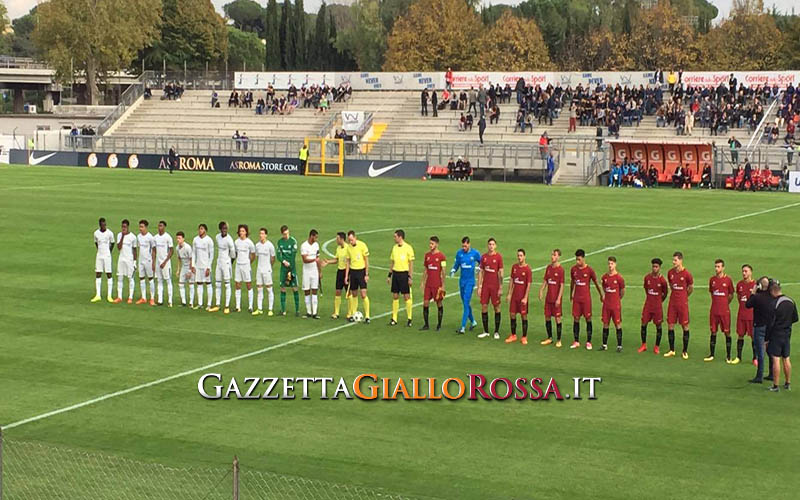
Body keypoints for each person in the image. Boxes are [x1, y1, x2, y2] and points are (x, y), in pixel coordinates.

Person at [766, 281, 797, 392]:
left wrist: (767, 339)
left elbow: (770, 323)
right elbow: (795, 318)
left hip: (776, 334)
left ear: (773, 292)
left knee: (776, 359)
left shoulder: (774, 304)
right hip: (787, 333)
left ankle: (775, 385)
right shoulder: (791, 301)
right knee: (786, 358)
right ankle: (787, 383)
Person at [570, 249, 603, 350]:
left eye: (579, 259)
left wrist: (601, 294)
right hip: (576, 298)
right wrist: (571, 293)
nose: (577, 262)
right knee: (576, 318)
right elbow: (572, 282)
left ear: (583, 258)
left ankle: (589, 342)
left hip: (586, 299)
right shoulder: (573, 269)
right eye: (576, 259)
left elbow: (596, 283)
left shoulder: (589, 270)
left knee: (588, 319)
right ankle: (576, 341)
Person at [746, 276, 776, 383]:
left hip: (759, 326)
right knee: (770, 350)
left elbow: (747, 304)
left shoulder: (757, 297)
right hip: (771, 327)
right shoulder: (772, 297)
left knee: (760, 352)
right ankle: (772, 373)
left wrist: (753, 293)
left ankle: (759, 376)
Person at [704, 259, 735, 362]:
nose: (716, 268)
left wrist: (725, 303)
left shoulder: (728, 280)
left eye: (718, 266)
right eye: (715, 266)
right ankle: (711, 354)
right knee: (713, 331)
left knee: (727, 332)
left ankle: (728, 356)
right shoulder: (712, 280)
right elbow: (712, 293)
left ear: (723, 268)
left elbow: (731, 295)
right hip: (714, 310)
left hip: (724, 311)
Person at [450, 236, 481, 334]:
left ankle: (462, 327)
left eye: (465, 246)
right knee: (465, 303)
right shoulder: (459, 253)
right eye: (463, 246)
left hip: (470, 282)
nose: (464, 248)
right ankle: (473, 321)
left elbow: (482, 263)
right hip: (462, 281)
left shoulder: (475, 253)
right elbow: (457, 264)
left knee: (466, 302)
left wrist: (479, 268)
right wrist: (453, 270)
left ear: (469, 244)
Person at [665, 252, 693, 359]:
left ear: (681, 261)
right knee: (670, 325)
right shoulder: (670, 273)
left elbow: (690, 288)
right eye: (673, 260)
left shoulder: (687, 274)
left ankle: (685, 351)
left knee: (685, 325)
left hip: (682, 304)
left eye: (675, 260)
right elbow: (672, 286)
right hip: (672, 303)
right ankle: (672, 350)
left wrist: (684, 296)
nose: (673, 262)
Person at [640, 258, 668, 354]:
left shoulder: (663, 281)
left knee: (658, 325)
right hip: (648, 305)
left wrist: (659, 301)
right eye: (653, 266)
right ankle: (643, 345)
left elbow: (665, 293)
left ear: (659, 268)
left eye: (656, 267)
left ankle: (657, 346)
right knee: (644, 323)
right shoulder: (647, 278)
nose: (654, 268)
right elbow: (646, 289)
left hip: (657, 307)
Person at [477, 238, 504, 339]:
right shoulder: (483, 257)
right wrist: (479, 286)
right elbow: (481, 272)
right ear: (487, 245)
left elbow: (501, 272)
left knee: (496, 307)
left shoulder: (498, 257)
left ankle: (496, 331)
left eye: (493, 244)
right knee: (484, 306)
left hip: (495, 286)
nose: (491, 246)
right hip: (485, 286)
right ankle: (486, 331)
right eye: (489, 244)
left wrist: (501, 287)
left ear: (495, 246)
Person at [388, 229, 415, 327]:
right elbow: (392, 262)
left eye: (395, 236)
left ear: (400, 237)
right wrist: (389, 275)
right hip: (395, 274)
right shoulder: (394, 248)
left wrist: (410, 277)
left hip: (404, 274)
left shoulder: (408, 248)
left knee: (406, 296)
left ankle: (409, 318)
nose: (394, 238)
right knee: (395, 296)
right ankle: (394, 318)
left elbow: (411, 264)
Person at [505, 249, 532, 345]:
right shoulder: (514, 267)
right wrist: (509, 294)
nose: (519, 257)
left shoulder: (527, 269)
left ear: (524, 256)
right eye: (518, 255)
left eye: (521, 255)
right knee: (512, 314)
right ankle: (513, 335)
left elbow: (528, 284)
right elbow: (512, 280)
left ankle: (524, 337)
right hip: (514, 296)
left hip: (522, 297)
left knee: (523, 316)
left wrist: (525, 297)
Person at [539, 249, 565, 347]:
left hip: (556, 299)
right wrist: (541, 290)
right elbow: (546, 280)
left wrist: (559, 298)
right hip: (548, 298)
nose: (552, 256)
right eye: (552, 255)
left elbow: (562, 285)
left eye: (554, 255)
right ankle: (549, 338)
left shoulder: (561, 270)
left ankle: (559, 340)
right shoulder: (548, 268)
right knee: (547, 317)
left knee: (557, 318)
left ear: (558, 257)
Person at [420, 236, 446, 331]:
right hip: (428, 284)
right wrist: (422, 282)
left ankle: (439, 325)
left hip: (437, 284)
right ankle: (426, 324)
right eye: (430, 243)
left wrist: (443, 285)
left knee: (439, 303)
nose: (430, 245)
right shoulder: (427, 255)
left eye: (432, 244)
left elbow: (443, 271)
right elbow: (426, 269)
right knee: (425, 303)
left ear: (437, 244)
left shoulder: (441, 256)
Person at [345, 230, 371, 323]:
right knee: (354, 294)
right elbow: (347, 261)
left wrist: (366, 274)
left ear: (355, 238)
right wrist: (346, 275)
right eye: (349, 240)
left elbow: (366, 260)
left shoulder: (362, 245)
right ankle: (354, 313)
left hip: (361, 271)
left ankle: (367, 316)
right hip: (353, 272)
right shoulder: (348, 248)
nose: (350, 242)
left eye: (351, 240)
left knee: (363, 294)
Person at [600, 256, 625, 352]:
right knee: (605, 323)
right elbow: (603, 287)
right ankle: (604, 344)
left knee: (617, 324)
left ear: (615, 264)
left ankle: (619, 346)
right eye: (609, 263)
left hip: (615, 305)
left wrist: (618, 298)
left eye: (612, 264)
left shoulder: (619, 278)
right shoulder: (604, 277)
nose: (610, 266)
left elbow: (622, 291)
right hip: (606, 305)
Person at [210, 221, 235, 314]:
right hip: (219, 262)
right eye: (223, 228)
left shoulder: (229, 239)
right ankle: (217, 304)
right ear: (220, 229)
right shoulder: (217, 237)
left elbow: (233, 254)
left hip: (226, 263)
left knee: (227, 284)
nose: (224, 230)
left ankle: (227, 306)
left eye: (226, 228)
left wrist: (230, 264)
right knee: (218, 283)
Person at [321, 232, 347, 319]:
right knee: (338, 291)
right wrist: (328, 262)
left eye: (337, 238)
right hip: (340, 271)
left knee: (349, 293)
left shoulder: (348, 248)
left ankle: (351, 312)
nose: (336, 240)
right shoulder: (338, 248)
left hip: (347, 272)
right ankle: (336, 312)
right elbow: (336, 260)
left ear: (342, 239)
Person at [277, 225, 301, 316]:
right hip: (283, 269)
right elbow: (279, 254)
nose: (285, 235)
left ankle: (297, 310)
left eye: (286, 233)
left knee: (294, 288)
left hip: (292, 268)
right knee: (282, 287)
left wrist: (290, 267)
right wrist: (283, 261)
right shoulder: (280, 242)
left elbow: (293, 255)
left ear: (288, 232)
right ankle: (283, 310)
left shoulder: (293, 241)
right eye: (284, 234)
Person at [735, 264, 756, 365]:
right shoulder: (739, 284)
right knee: (740, 335)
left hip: (752, 315)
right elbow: (739, 298)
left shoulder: (755, 285)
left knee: (753, 337)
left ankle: (755, 358)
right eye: (743, 271)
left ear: (751, 272)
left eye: (746, 271)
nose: (744, 273)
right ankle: (738, 357)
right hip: (742, 315)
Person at [233, 224, 256, 313]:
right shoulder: (236, 242)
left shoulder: (249, 243)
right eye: (240, 231)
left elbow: (253, 255)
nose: (241, 232)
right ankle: (238, 306)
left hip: (246, 265)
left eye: (243, 231)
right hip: (238, 265)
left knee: (248, 285)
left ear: (246, 232)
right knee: (237, 285)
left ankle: (250, 306)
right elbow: (234, 253)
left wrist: (248, 262)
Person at [253, 227, 276, 316]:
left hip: (267, 269)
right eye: (260, 233)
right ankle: (259, 308)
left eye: (262, 234)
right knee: (259, 289)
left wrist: (269, 267)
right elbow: (257, 257)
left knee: (269, 289)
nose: (261, 235)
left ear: (266, 235)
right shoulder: (257, 245)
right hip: (259, 269)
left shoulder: (270, 245)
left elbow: (273, 258)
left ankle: (270, 309)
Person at [191, 224, 214, 311]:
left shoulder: (209, 240)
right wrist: (193, 265)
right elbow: (193, 253)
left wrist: (209, 267)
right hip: (198, 265)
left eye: (202, 229)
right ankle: (200, 303)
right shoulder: (195, 240)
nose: (200, 230)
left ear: (205, 230)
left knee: (208, 284)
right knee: (199, 284)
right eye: (199, 229)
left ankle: (209, 304)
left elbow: (211, 255)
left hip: (206, 266)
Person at [114, 219, 138, 304]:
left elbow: (135, 250)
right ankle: (119, 296)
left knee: (130, 278)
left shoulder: (133, 237)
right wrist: (123, 237)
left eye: (125, 227)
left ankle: (130, 297)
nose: (123, 228)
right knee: (120, 277)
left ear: (128, 227)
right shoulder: (119, 235)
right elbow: (119, 247)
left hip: (129, 260)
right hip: (121, 259)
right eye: (122, 227)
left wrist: (135, 262)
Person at [92, 217, 115, 303]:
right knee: (98, 273)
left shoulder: (110, 233)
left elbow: (112, 243)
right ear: (100, 225)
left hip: (107, 256)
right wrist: (100, 250)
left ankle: (109, 295)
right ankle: (98, 295)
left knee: (109, 274)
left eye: (105, 224)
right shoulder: (96, 233)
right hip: (99, 256)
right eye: (102, 225)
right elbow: (96, 243)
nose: (104, 226)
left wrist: (109, 252)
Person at [299, 229, 321, 319]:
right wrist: (314, 260)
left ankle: (314, 312)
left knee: (315, 290)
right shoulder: (304, 246)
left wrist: (320, 271)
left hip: (314, 271)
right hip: (307, 271)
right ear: (311, 236)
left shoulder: (316, 245)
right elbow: (304, 259)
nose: (316, 239)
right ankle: (308, 312)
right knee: (307, 291)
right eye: (315, 237)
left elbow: (318, 259)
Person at [153, 220, 174, 307]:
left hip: (166, 263)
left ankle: (170, 301)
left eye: (161, 226)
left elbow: (171, 250)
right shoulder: (155, 237)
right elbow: (154, 250)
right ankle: (160, 300)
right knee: (159, 281)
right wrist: (153, 262)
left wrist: (165, 262)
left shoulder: (168, 237)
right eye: (158, 226)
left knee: (168, 280)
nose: (159, 227)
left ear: (164, 227)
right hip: (158, 263)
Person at [135, 219, 156, 306]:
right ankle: (143, 297)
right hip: (141, 260)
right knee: (141, 278)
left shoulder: (150, 237)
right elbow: (138, 248)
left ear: (146, 227)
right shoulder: (138, 237)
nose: (140, 228)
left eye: (142, 227)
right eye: (140, 226)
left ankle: (152, 298)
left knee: (150, 279)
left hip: (148, 260)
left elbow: (154, 250)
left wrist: (153, 262)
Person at [175, 231, 194, 308]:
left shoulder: (187, 247)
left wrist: (190, 270)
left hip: (190, 266)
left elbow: (191, 259)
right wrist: (178, 270)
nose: (178, 240)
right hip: (183, 267)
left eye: (179, 238)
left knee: (191, 284)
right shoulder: (177, 248)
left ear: (183, 239)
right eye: (177, 238)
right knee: (181, 284)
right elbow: (179, 259)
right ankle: (183, 302)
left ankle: (191, 303)